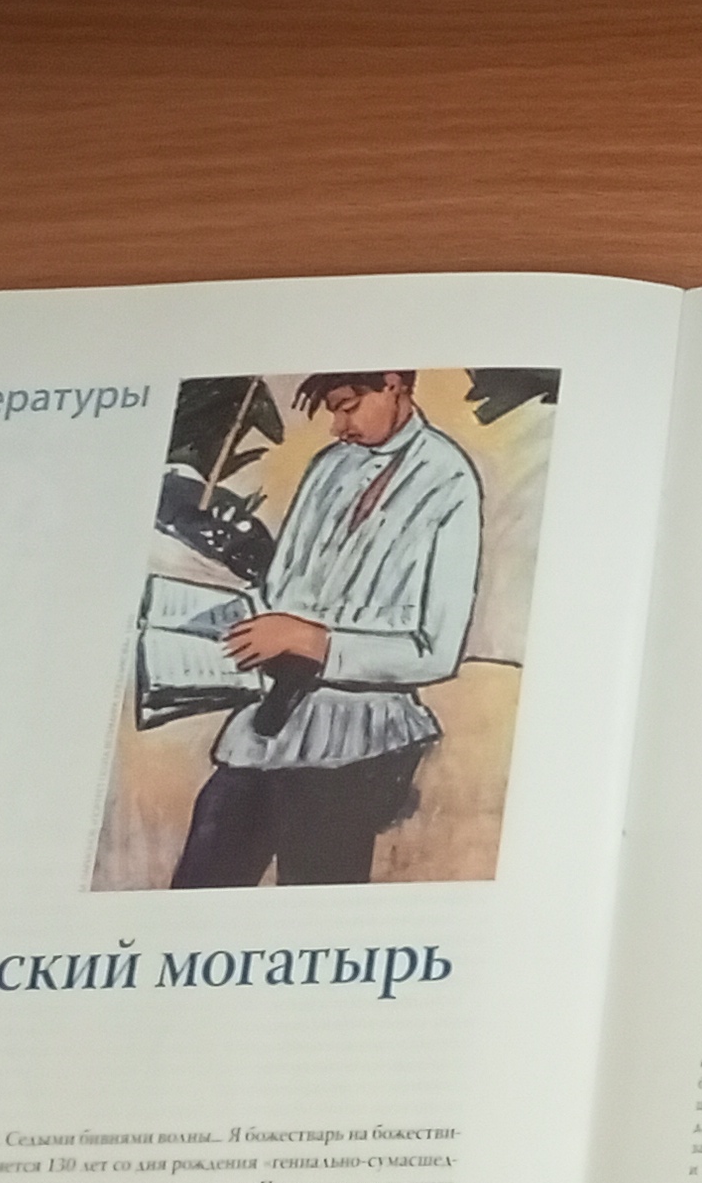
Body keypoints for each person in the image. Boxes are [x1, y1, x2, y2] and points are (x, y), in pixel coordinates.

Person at [171, 369, 482, 887]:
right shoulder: (327, 467)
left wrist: (312, 642)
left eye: (348, 406)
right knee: (200, 882)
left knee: (315, 893)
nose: (339, 426)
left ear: (393, 385)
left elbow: (436, 651)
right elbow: (278, 592)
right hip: (265, 727)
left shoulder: (448, 479)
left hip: (362, 743)